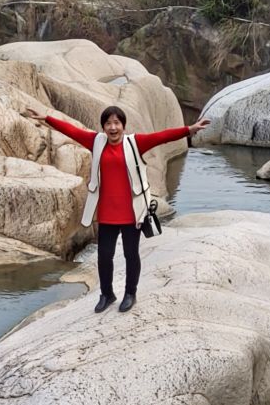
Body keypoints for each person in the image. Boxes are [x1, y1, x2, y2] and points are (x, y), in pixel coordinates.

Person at [21, 103, 210, 313]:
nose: (113, 127)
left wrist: (188, 130)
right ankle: (107, 294)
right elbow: (72, 131)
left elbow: (161, 136)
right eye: (108, 123)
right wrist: (47, 118)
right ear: (103, 127)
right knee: (104, 256)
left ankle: (130, 293)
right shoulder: (96, 142)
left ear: (123, 126)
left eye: (116, 123)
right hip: (107, 213)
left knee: (131, 255)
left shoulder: (135, 143)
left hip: (132, 213)